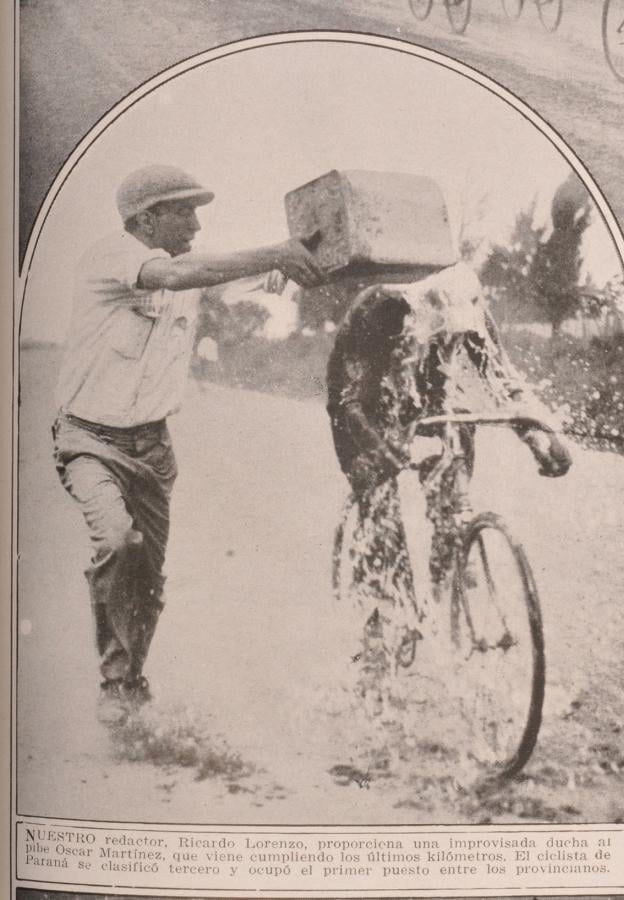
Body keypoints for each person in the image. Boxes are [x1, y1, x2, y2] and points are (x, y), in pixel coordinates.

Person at [53, 164, 324, 725]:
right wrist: (273, 252)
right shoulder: (113, 259)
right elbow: (178, 278)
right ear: (146, 218)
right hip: (90, 439)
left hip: (153, 447)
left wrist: (314, 257)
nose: (197, 224)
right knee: (118, 543)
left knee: (149, 578)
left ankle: (131, 681)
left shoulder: (190, 269)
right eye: (184, 211)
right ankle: (113, 681)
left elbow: (262, 277)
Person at [326, 262, 571, 704]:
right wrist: (383, 452)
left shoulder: (471, 312)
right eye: (443, 326)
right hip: (363, 399)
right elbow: (349, 402)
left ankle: (446, 565)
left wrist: (538, 434)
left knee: (454, 473)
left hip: (433, 392)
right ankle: (377, 635)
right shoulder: (378, 309)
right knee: (381, 512)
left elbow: (502, 379)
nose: (453, 334)